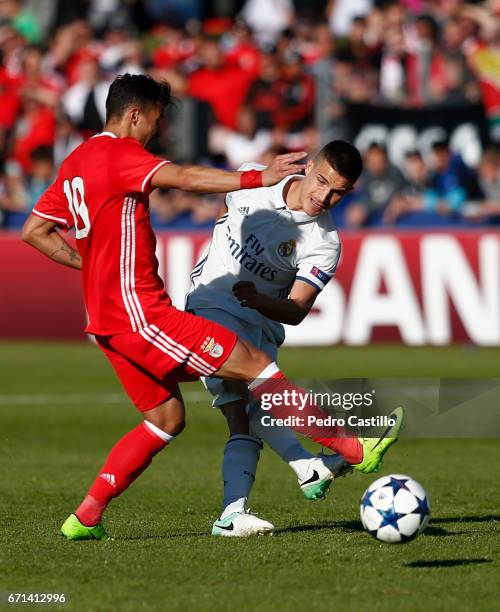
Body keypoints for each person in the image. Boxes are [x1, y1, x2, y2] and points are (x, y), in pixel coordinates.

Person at [21, 74, 402, 541]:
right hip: (142, 315)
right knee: (258, 369)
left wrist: (92, 267)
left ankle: (85, 517)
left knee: (167, 420)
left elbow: (35, 231)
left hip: (106, 322)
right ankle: (349, 450)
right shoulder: (121, 154)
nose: (156, 132)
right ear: (135, 115)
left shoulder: (77, 160)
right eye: (156, 121)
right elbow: (183, 176)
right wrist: (257, 177)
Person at [186, 140, 391, 536]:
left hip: (261, 325)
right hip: (210, 306)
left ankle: (234, 514)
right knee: (253, 390)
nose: (324, 197)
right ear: (310, 166)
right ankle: (329, 455)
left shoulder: (325, 243)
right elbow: (224, 205)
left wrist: (260, 300)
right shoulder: (253, 180)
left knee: (242, 419)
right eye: (322, 181)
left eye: (337, 193)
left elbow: (296, 310)